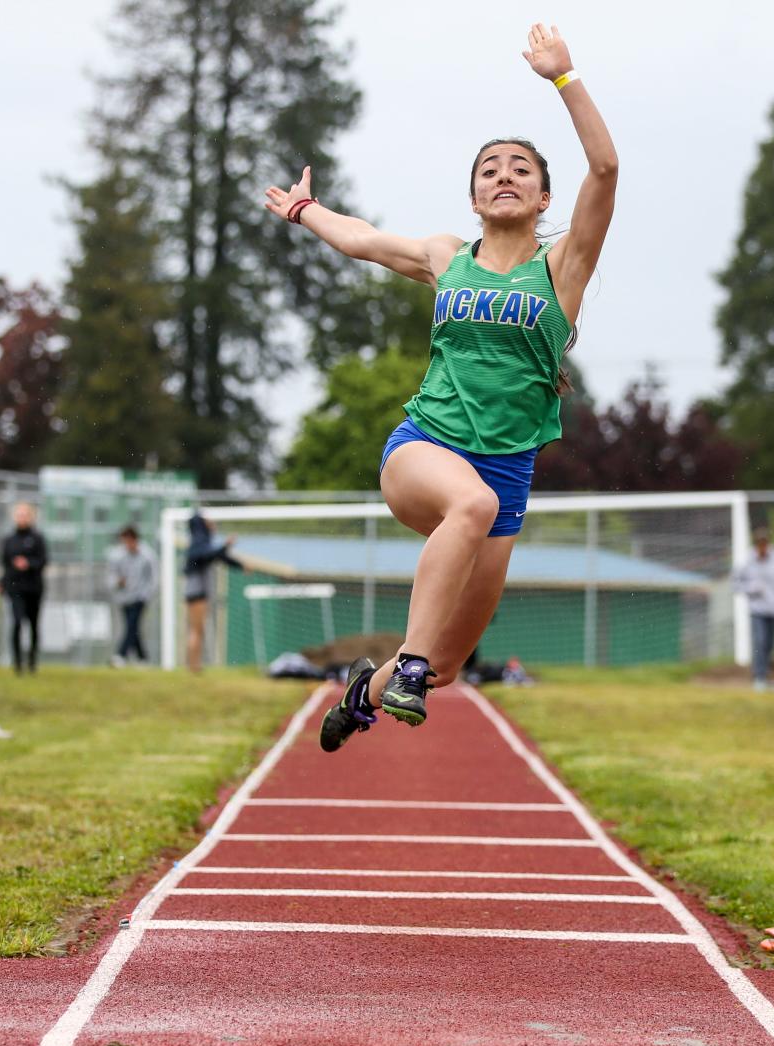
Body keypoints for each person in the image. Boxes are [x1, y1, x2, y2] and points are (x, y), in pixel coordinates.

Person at [266, 23, 617, 752]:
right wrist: (304, 211)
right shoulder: (446, 257)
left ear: (545, 194)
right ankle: (411, 659)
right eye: (490, 168)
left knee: (450, 665)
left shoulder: (562, 269)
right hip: (424, 448)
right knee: (469, 504)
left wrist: (564, 77)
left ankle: (363, 692)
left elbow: (607, 169)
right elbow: (362, 238)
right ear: (473, 196)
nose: (505, 175)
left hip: (507, 469)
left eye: (521, 168)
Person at [732, 526, 774, 690]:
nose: (762, 546)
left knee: (769, 644)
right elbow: (735, 584)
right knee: (759, 641)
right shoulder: (746, 560)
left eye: (765, 542)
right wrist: (751, 588)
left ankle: (764, 674)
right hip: (757, 610)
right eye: (759, 543)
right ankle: (758, 676)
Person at [184, 512, 244, 673]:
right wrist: (226, 545)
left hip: (196, 590)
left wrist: (240, 565)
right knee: (196, 628)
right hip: (197, 590)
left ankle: (194, 665)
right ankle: (193, 666)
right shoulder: (198, 544)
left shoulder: (202, 544)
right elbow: (210, 555)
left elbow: (219, 557)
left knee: (197, 628)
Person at [0, 501, 48, 674]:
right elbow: (5, 565)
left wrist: (28, 564)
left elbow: (43, 561)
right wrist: (0, 584)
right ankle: (17, 664)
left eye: (25, 514)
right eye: (19, 514)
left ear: (31, 517)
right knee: (17, 622)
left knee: (33, 625)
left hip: (33, 588)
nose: (22, 518)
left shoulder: (37, 539)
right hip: (15, 588)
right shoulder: (9, 540)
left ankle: (32, 663)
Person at [107, 525, 158, 667]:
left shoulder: (148, 555)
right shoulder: (117, 556)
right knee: (133, 628)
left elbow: (153, 578)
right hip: (124, 598)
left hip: (140, 598)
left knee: (131, 626)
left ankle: (120, 656)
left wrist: (147, 595)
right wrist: (118, 582)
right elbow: (111, 577)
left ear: (134, 539)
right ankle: (143, 659)